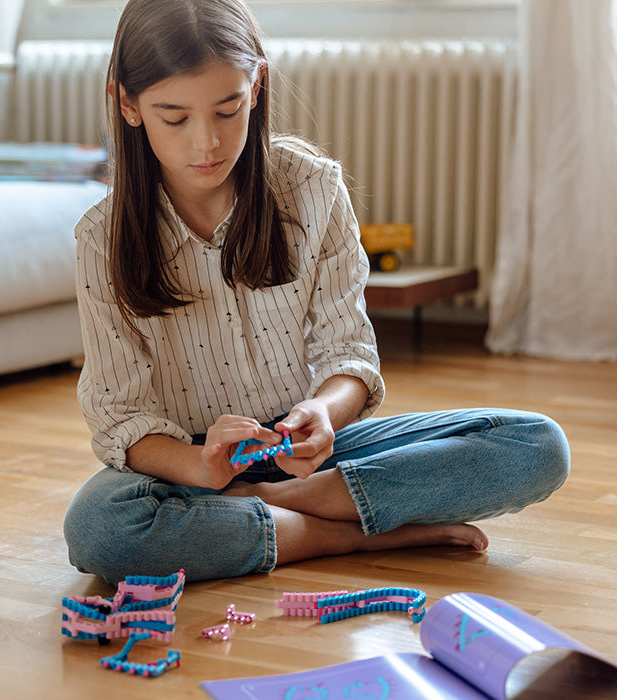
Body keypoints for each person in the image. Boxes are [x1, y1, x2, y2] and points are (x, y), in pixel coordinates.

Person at [63, 0, 569, 584]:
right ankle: (348, 533)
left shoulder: (311, 188)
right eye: (174, 118)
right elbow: (119, 415)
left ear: (257, 86)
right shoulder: (102, 239)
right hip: (185, 469)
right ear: (128, 103)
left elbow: (349, 354)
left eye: (227, 110)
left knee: (536, 444)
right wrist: (200, 465)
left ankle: (280, 513)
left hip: (314, 457)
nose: (206, 144)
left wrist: (322, 415)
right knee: (101, 526)